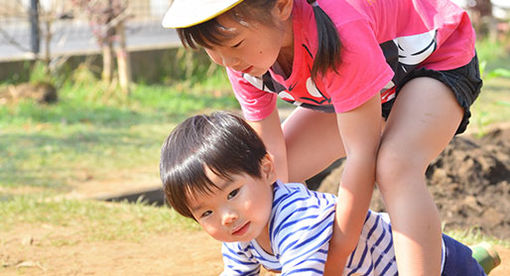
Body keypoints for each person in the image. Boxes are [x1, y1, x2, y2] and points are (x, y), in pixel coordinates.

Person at [161, 0, 483, 275]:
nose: (229, 62)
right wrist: (283, 250)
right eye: (214, 51)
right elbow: (271, 162)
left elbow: (362, 156)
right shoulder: (242, 58)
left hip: (434, 61)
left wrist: (335, 258)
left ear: (282, 6)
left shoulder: (340, 32)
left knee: (394, 164)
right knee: (257, 175)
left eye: (235, 44)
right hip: (368, 86)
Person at [159, 111, 493, 276]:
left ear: (267, 169)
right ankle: (481, 258)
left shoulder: (296, 218)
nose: (226, 216)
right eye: (206, 213)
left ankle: (476, 261)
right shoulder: (242, 228)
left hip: (438, 265)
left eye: (232, 193)